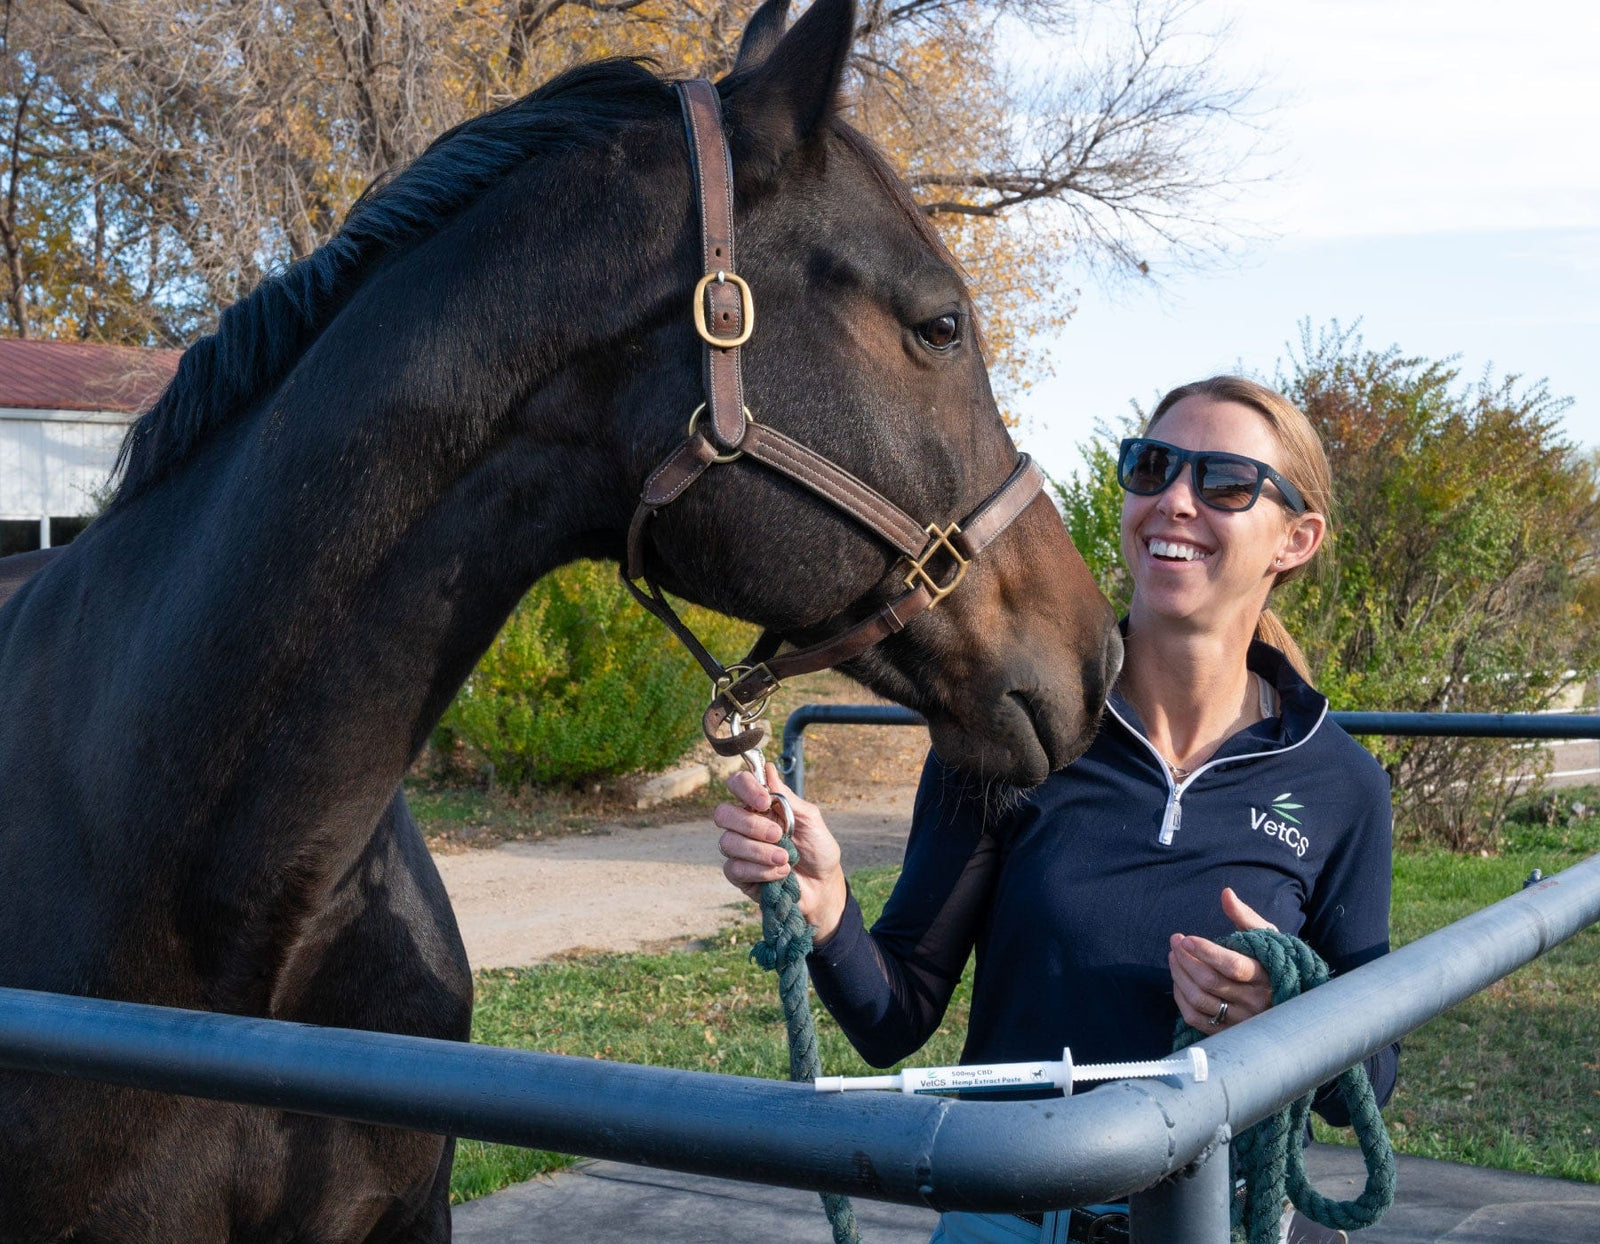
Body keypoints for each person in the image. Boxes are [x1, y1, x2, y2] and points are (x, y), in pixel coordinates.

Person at [714, 376, 1398, 1244]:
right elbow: (895, 1018)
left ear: (1295, 540)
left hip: (1219, 1225)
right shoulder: (1016, 730)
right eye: (1151, 468)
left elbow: (1367, 1085)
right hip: (1007, 1220)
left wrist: (1284, 1020)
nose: (1174, 501)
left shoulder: (1341, 784)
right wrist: (826, 909)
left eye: (1223, 482)